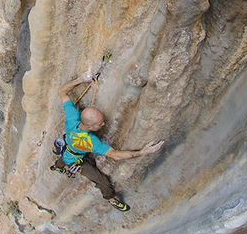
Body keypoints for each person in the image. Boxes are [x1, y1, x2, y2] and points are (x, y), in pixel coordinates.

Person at [51, 73, 165, 212]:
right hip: (77, 158)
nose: (104, 124)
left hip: (69, 145)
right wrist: (141, 152)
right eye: (99, 124)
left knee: (64, 158)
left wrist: (81, 79)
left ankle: (58, 166)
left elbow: (62, 91)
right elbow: (115, 155)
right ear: (88, 127)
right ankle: (110, 199)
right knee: (102, 181)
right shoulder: (91, 142)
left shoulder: (72, 118)